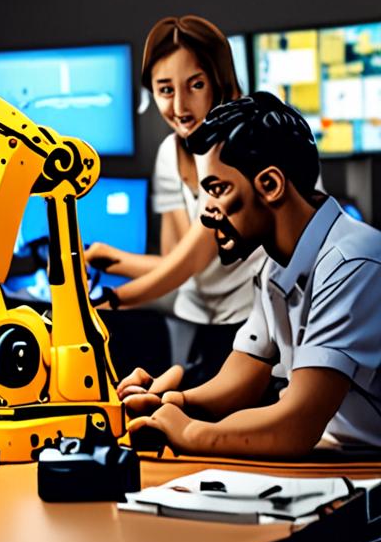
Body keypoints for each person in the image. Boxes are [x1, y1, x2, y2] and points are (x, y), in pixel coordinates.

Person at [122, 91, 381, 457]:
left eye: (218, 190)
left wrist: (192, 434)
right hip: (340, 455)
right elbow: (243, 375)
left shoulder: (351, 265)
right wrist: (172, 403)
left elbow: (297, 422)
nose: (206, 213)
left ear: (271, 185)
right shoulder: (274, 265)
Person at [85, 15, 263, 385]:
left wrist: (107, 302)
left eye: (195, 85)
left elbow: (194, 258)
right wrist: (113, 258)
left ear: (218, 80)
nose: (180, 105)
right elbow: (178, 262)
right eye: (165, 89)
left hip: (259, 319)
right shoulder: (171, 152)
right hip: (206, 320)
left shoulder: (239, 144)